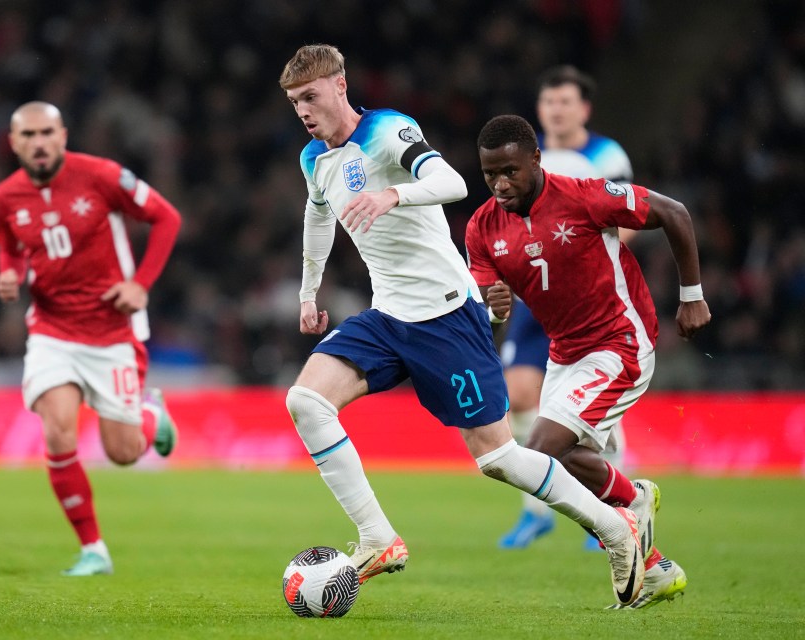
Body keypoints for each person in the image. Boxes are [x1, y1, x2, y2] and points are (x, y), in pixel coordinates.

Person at [279, 44, 645, 607]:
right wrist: (309, 291)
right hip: (388, 316)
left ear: (340, 86)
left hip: (448, 315)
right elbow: (318, 214)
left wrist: (390, 194)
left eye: (309, 96)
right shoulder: (314, 159)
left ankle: (614, 525)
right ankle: (378, 539)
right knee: (305, 401)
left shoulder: (388, 131)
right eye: (293, 101)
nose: (302, 110)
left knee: (498, 459)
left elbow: (451, 182)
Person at [466, 114, 711, 609]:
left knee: (539, 452)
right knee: (555, 461)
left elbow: (674, 212)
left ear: (535, 159)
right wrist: (494, 306)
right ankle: (653, 558)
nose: (500, 184)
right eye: (490, 174)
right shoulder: (482, 227)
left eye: (510, 171)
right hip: (564, 353)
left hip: (620, 342)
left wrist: (691, 296)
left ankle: (630, 505)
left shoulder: (582, 195)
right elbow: (487, 307)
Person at [0, 101, 181, 576]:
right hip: (52, 330)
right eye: (28, 135)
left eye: (46, 133)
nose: (38, 143)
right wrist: (10, 275)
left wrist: (140, 284)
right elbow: (11, 248)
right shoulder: (6, 197)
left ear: (63, 135)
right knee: (57, 428)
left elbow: (167, 218)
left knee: (121, 453)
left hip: (112, 329)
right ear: (14, 143)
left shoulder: (101, 176)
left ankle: (148, 414)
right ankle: (93, 548)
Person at [498, 65, 636, 552]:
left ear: (584, 109)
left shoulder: (604, 156)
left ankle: (616, 506)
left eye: (565, 102)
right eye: (548, 102)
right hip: (534, 298)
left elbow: (631, 219)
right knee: (517, 397)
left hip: (588, 300)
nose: (556, 110)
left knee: (593, 420)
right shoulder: (525, 156)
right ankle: (537, 513)